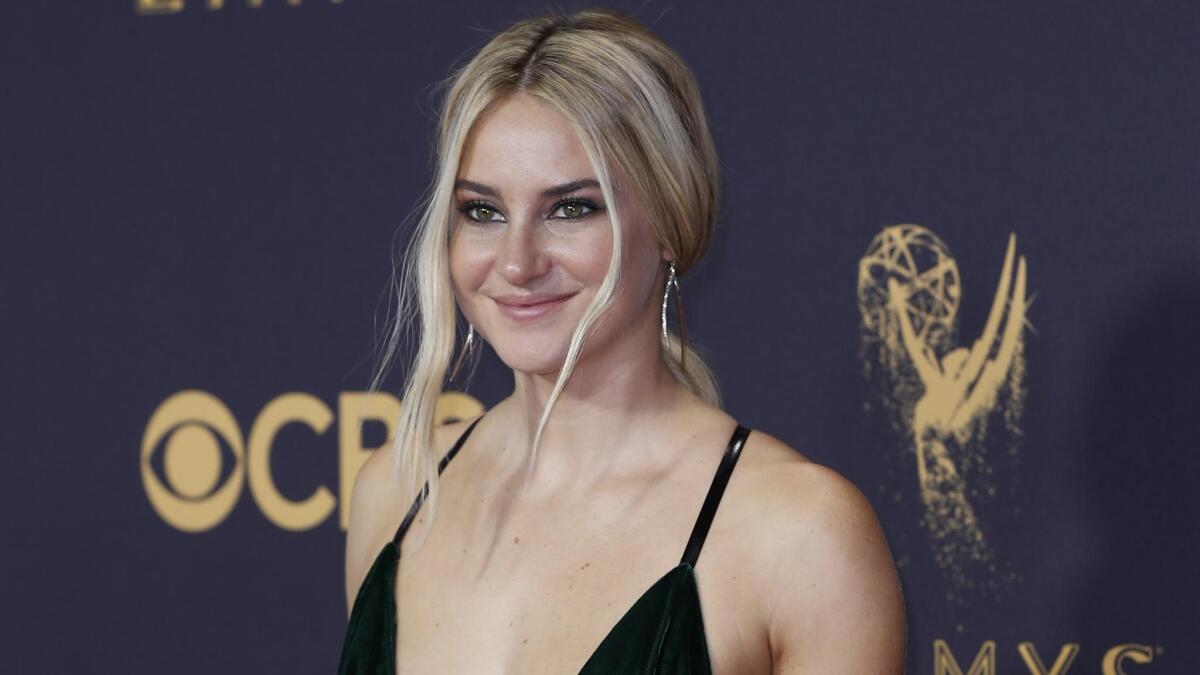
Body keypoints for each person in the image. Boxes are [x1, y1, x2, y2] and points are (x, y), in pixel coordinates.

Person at [340, 8, 906, 674]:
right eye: (482, 210)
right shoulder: (398, 491)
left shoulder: (800, 536)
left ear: (670, 218)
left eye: (572, 207)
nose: (518, 262)